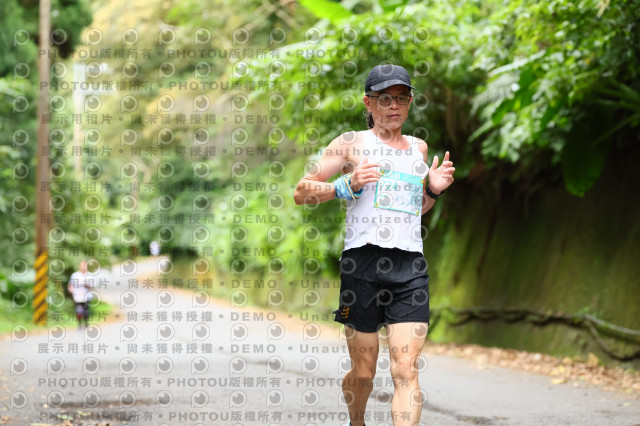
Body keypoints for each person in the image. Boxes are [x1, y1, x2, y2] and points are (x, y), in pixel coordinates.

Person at [294, 64, 455, 426]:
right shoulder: (351, 143)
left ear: (410, 102)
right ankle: (357, 422)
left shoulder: (418, 149)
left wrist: (433, 190)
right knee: (364, 373)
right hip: (361, 266)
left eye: (401, 98)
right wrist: (345, 185)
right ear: (368, 103)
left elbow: (414, 209)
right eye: (385, 98)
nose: (393, 106)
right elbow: (301, 192)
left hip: (410, 267)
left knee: (406, 368)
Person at [67, 260, 93, 330]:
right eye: (82, 265)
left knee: (86, 311)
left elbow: (92, 287)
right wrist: (71, 290)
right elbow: (70, 284)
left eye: (85, 265)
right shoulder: (75, 275)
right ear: (79, 266)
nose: (83, 267)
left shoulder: (90, 275)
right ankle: (79, 324)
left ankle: (86, 324)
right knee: (79, 311)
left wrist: (86, 285)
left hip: (87, 296)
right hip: (77, 297)